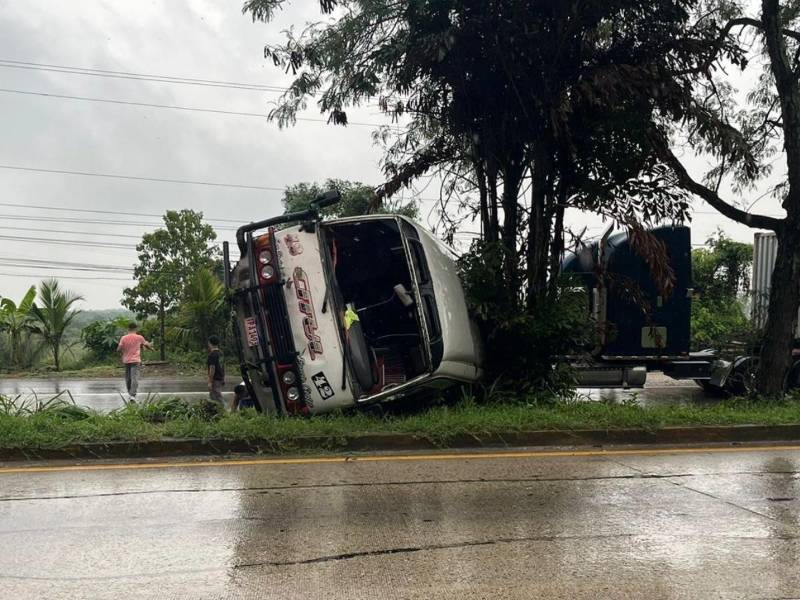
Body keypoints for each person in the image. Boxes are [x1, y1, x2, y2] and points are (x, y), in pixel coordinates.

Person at [117, 322, 153, 401]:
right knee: (134, 377)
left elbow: (119, 349)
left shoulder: (123, 338)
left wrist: (123, 350)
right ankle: (132, 395)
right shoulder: (139, 337)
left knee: (128, 378)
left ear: (128, 329)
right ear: (136, 329)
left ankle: (130, 393)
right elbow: (146, 345)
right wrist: (152, 349)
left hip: (126, 360)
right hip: (136, 360)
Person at [207, 335, 225, 404]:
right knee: (214, 397)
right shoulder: (221, 353)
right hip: (220, 378)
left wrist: (210, 381)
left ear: (210, 343)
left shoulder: (212, 355)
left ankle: (225, 410)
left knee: (217, 397)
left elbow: (212, 368)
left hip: (215, 379)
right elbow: (222, 367)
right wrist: (223, 378)